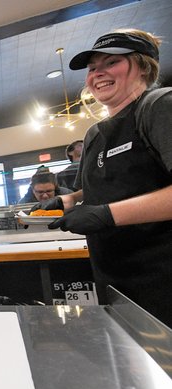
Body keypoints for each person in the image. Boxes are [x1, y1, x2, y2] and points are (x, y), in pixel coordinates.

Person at [32, 29, 172, 327]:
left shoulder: (159, 106)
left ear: (144, 66)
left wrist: (106, 215)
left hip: (161, 277)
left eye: (111, 63)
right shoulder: (95, 133)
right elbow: (96, 187)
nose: (98, 74)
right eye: (93, 68)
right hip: (113, 278)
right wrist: (67, 200)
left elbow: (108, 207)